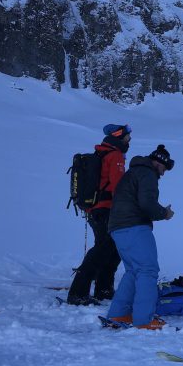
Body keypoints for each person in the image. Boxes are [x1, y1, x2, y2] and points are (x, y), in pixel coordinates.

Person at [105, 144, 175, 330]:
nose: (163, 173)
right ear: (158, 162)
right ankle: (144, 319)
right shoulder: (147, 173)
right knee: (147, 270)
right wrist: (164, 213)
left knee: (133, 271)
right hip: (134, 226)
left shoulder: (133, 172)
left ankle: (119, 313)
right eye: (164, 168)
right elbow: (147, 203)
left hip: (117, 228)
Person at [67, 124, 131, 305]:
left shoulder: (102, 152)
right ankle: (78, 293)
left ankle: (104, 290)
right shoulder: (115, 155)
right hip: (106, 209)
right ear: (119, 137)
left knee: (109, 249)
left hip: (95, 210)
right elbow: (118, 187)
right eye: (127, 137)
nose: (129, 140)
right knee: (104, 249)